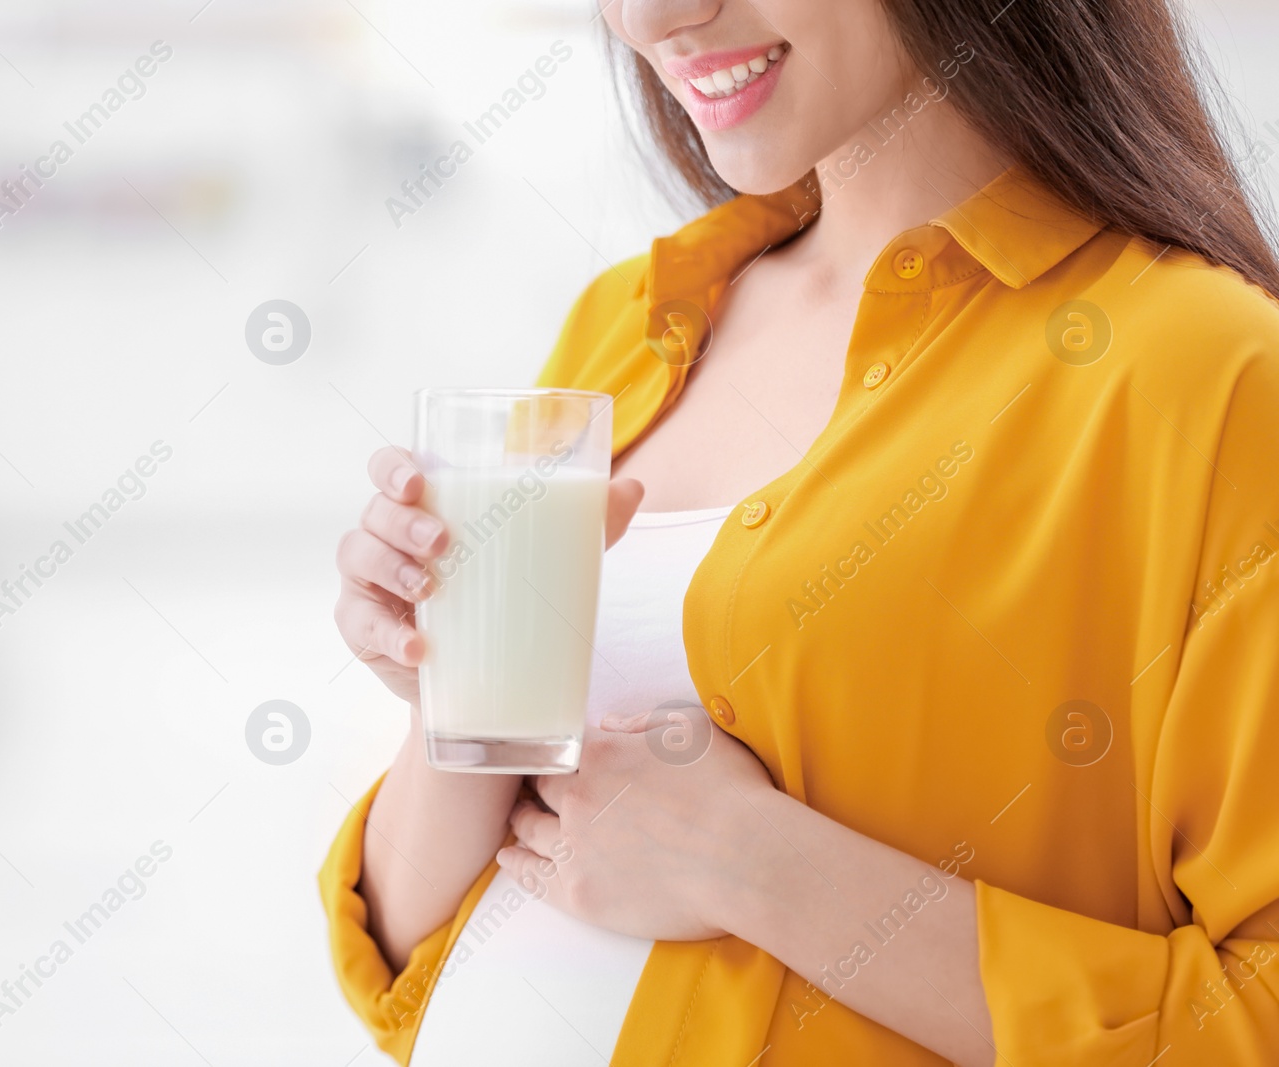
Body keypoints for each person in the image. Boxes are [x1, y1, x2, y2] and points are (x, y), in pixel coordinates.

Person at [322, 0, 1279, 1062]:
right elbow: (406, 958)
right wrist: (455, 680)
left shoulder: (1207, 378)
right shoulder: (626, 326)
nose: (651, 18)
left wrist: (752, 864)